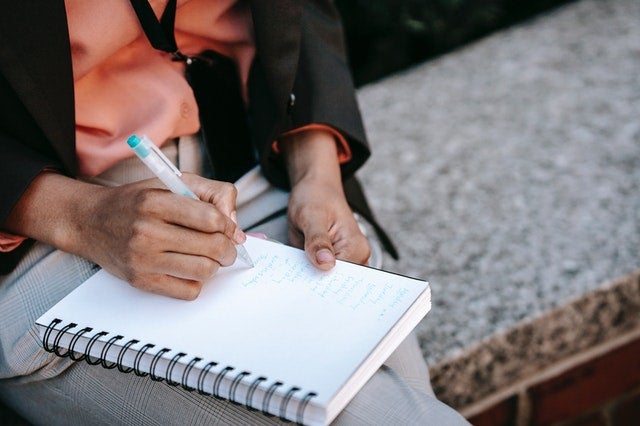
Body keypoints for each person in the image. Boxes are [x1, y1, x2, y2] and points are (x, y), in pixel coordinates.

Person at [0, 1, 468, 424]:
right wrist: (77, 216)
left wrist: (315, 172)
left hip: (254, 163)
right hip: (46, 220)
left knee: (401, 390)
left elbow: (300, 13)